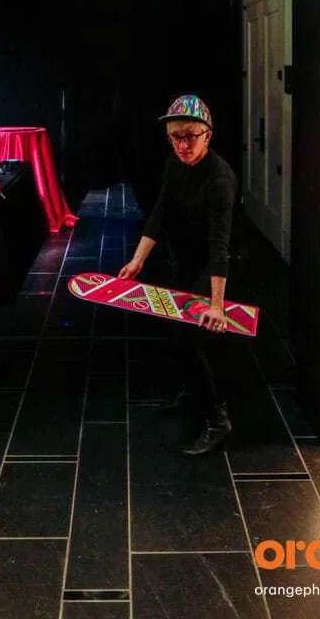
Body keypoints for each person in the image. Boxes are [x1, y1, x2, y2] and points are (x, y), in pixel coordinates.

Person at [118, 94, 238, 456]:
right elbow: (159, 213)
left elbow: (220, 245)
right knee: (173, 331)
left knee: (191, 337)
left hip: (216, 265)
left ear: (208, 135)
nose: (183, 144)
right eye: (175, 137)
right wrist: (138, 261)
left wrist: (217, 305)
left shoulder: (219, 179)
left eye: (190, 136)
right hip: (185, 259)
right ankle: (193, 390)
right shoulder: (174, 164)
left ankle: (218, 420)